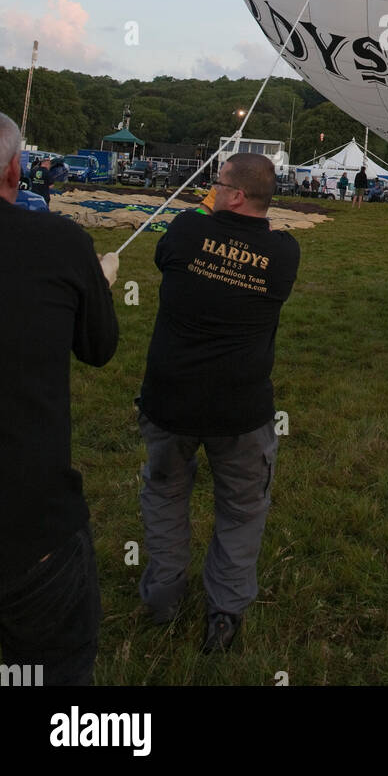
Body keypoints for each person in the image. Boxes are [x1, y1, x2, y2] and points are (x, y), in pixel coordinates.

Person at [137, 153, 300, 654]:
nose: (209, 189)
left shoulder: (186, 231)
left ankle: (162, 600)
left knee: (165, 498)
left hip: (171, 402)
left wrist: (209, 217)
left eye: (218, 182)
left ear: (233, 196)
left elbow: (168, 254)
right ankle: (225, 614)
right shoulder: (284, 254)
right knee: (242, 511)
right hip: (240, 411)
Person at [0, 112, 119, 686]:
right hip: (30, 528)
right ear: (15, 170)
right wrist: (95, 285)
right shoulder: (59, 242)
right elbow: (99, 347)